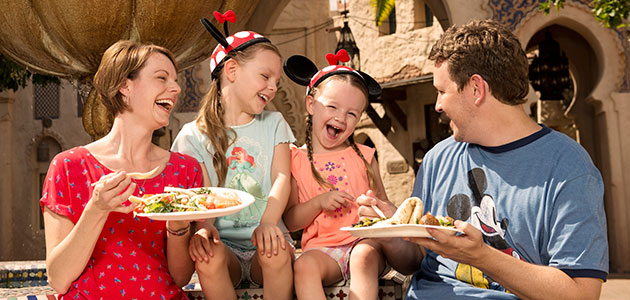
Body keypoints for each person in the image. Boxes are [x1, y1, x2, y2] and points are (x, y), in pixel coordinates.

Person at [357, 19, 609, 300]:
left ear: (476, 89)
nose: (438, 104)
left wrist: (481, 256)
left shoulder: (568, 167)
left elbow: (581, 294)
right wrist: (393, 229)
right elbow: (415, 260)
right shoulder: (437, 159)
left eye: (442, 91)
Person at [41, 40, 202, 299]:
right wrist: (97, 209)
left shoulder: (184, 170)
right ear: (124, 86)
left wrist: (178, 226)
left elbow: (180, 278)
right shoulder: (69, 167)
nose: (176, 88)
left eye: (175, 80)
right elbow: (58, 279)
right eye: (162, 78)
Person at [170, 11, 294, 300]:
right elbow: (198, 196)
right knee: (206, 254)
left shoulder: (275, 123)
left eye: (276, 80)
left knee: (274, 252)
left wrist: (268, 223)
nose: (273, 87)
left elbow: (282, 177)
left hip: (268, 237)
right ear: (232, 71)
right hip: (225, 250)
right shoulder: (192, 136)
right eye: (265, 76)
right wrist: (203, 229)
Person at [282, 50, 423, 299]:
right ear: (311, 104)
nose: (340, 117)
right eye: (333, 106)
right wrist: (318, 203)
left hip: (366, 244)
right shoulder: (296, 159)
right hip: (322, 250)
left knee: (362, 257)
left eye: (352, 113)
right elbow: (291, 221)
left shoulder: (365, 156)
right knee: (303, 267)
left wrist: (377, 208)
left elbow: (385, 208)